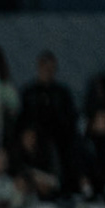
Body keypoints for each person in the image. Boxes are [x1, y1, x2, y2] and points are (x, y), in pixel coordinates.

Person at [20, 51, 79, 179]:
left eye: (52, 68)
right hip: (36, 139)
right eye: (45, 67)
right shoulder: (29, 92)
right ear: (39, 67)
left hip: (58, 140)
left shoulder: (62, 93)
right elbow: (22, 117)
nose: (48, 71)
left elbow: (70, 118)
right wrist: (26, 133)